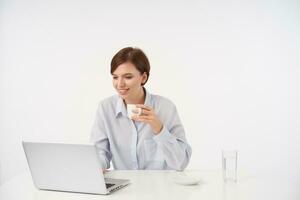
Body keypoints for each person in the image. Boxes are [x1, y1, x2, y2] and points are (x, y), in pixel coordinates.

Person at [90, 47, 192, 170]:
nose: (119, 84)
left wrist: (159, 128)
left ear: (143, 78)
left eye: (127, 77)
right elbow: (100, 153)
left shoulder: (165, 108)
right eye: (115, 77)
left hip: (161, 187)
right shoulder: (106, 108)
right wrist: (95, 166)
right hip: (124, 187)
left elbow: (180, 163)